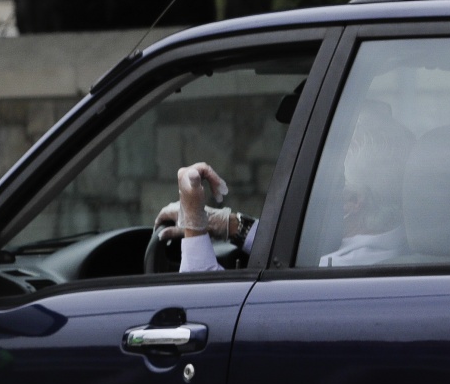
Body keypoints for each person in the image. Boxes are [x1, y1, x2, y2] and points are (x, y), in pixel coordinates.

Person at [154, 101, 413, 271]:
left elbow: (203, 312)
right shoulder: (400, 245)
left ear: (352, 202)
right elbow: (295, 245)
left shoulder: (335, 274)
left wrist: (194, 221)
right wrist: (229, 223)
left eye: (324, 174)